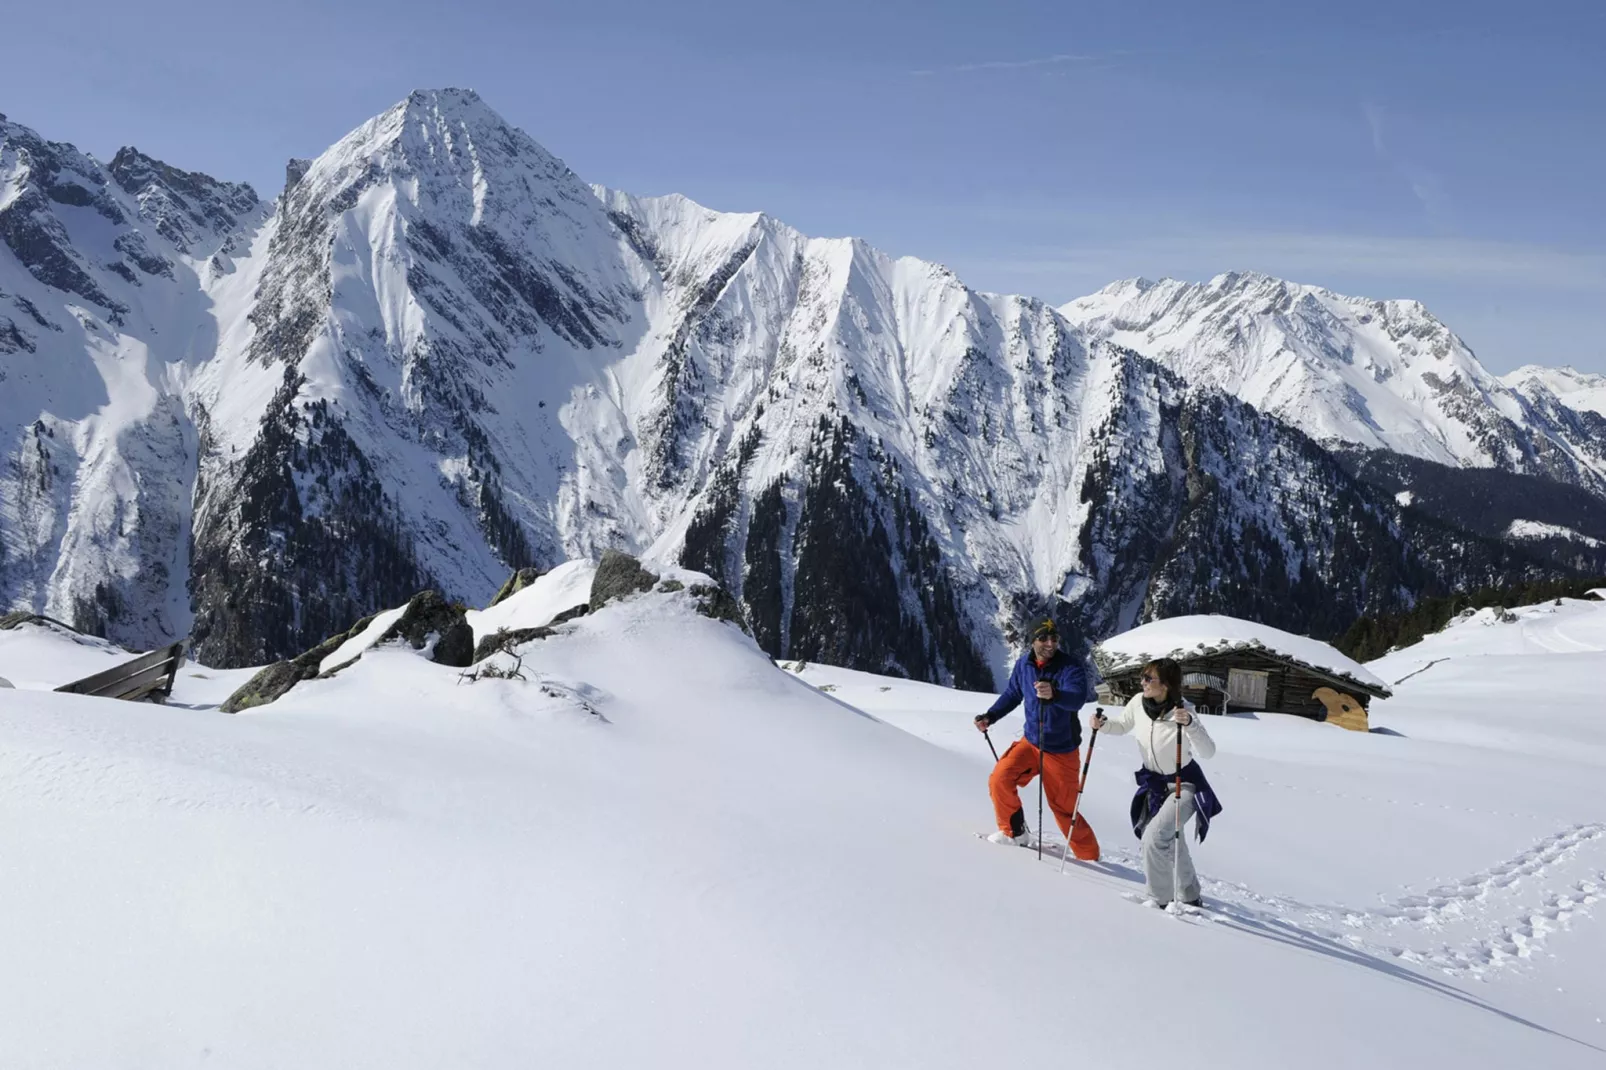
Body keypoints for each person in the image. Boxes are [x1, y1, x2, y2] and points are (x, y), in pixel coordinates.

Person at [1092, 658, 1222, 908]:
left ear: (1165, 685)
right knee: (1172, 838)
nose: (1142, 683)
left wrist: (1191, 725)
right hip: (1156, 785)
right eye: (1143, 677)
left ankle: (1159, 900)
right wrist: (1104, 725)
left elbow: (1208, 752)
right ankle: (1190, 895)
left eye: (1148, 679)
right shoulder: (1138, 703)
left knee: (1154, 838)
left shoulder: (1183, 712)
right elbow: (1122, 725)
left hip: (1184, 784)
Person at [973, 618, 1100, 861]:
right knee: (1000, 778)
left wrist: (1055, 694)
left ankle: (1089, 856)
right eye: (1043, 638)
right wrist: (991, 716)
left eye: (1054, 638)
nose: (1050, 643)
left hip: (1061, 750)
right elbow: (1013, 693)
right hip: (1031, 743)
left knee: (1064, 809)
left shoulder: (1069, 667)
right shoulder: (1024, 665)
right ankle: (1014, 833)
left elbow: (1077, 699)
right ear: (1032, 640)